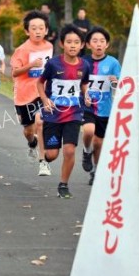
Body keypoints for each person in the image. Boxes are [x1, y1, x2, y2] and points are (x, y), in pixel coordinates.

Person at [37, 24, 91, 198]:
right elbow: (40, 82)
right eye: (69, 42)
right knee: (51, 155)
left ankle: (63, 185)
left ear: (82, 45)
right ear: (62, 44)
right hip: (53, 114)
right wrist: (45, 100)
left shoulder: (85, 65)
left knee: (69, 150)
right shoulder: (53, 64)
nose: (73, 45)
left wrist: (86, 94)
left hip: (73, 113)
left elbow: (84, 83)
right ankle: (41, 142)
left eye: (76, 42)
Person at [10, 10, 53, 177]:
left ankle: (43, 163)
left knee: (40, 122)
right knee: (29, 131)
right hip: (24, 95)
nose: (37, 31)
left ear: (46, 30)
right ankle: (32, 143)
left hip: (42, 92)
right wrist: (31, 65)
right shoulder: (22, 50)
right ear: (27, 31)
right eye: (33, 28)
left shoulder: (49, 47)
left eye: (41, 28)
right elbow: (14, 73)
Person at [81, 26, 121, 185]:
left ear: (107, 45)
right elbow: (77, 82)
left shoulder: (113, 63)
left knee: (99, 142)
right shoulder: (83, 62)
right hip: (87, 105)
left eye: (102, 41)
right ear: (88, 44)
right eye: (95, 41)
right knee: (88, 130)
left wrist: (115, 82)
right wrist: (84, 94)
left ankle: (96, 170)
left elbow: (120, 84)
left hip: (105, 108)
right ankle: (86, 151)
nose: (98, 44)